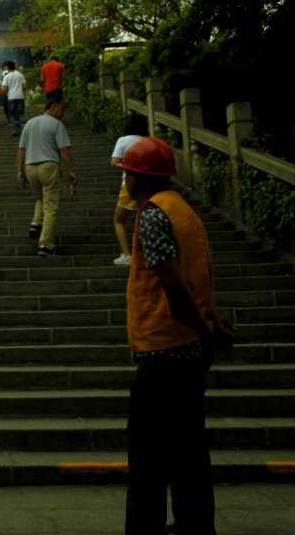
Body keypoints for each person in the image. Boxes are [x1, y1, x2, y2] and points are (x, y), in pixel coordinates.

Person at [119, 136, 229, 535]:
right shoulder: (186, 212)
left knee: (148, 455)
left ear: (140, 177)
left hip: (163, 348)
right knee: (189, 452)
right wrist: (212, 320)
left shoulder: (151, 214)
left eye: (128, 173)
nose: (126, 180)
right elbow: (195, 273)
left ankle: (144, 529)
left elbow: (170, 277)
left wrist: (204, 328)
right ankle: (195, 525)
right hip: (189, 351)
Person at [16, 96, 78, 256]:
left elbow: (21, 149)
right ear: (54, 106)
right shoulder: (57, 124)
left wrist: (20, 170)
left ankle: (36, 222)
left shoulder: (29, 123)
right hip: (49, 165)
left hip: (30, 167)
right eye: (62, 109)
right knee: (51, 206)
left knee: (41, 198)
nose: (63, 113)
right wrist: (71, 170)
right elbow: (64, 150)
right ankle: (45, 244)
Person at [111, 114, 150, 266]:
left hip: (129, 185)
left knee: (118, 220)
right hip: (148, 186)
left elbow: (114, 162)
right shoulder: (148, 141)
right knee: (145, 219)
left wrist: (129, 168)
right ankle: (147, 253)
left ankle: (127, 255)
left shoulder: (124, 140)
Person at [3, 60, 27, 136]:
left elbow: (4, 89)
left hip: (11, 98)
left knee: (12, 114)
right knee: (20, 113)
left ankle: (14, 129)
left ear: (8, 67)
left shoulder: (6, 76)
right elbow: (25, 86)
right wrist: (20, 91)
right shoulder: (20, 75)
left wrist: (7, 91)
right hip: (20, 97)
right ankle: (23, 127)